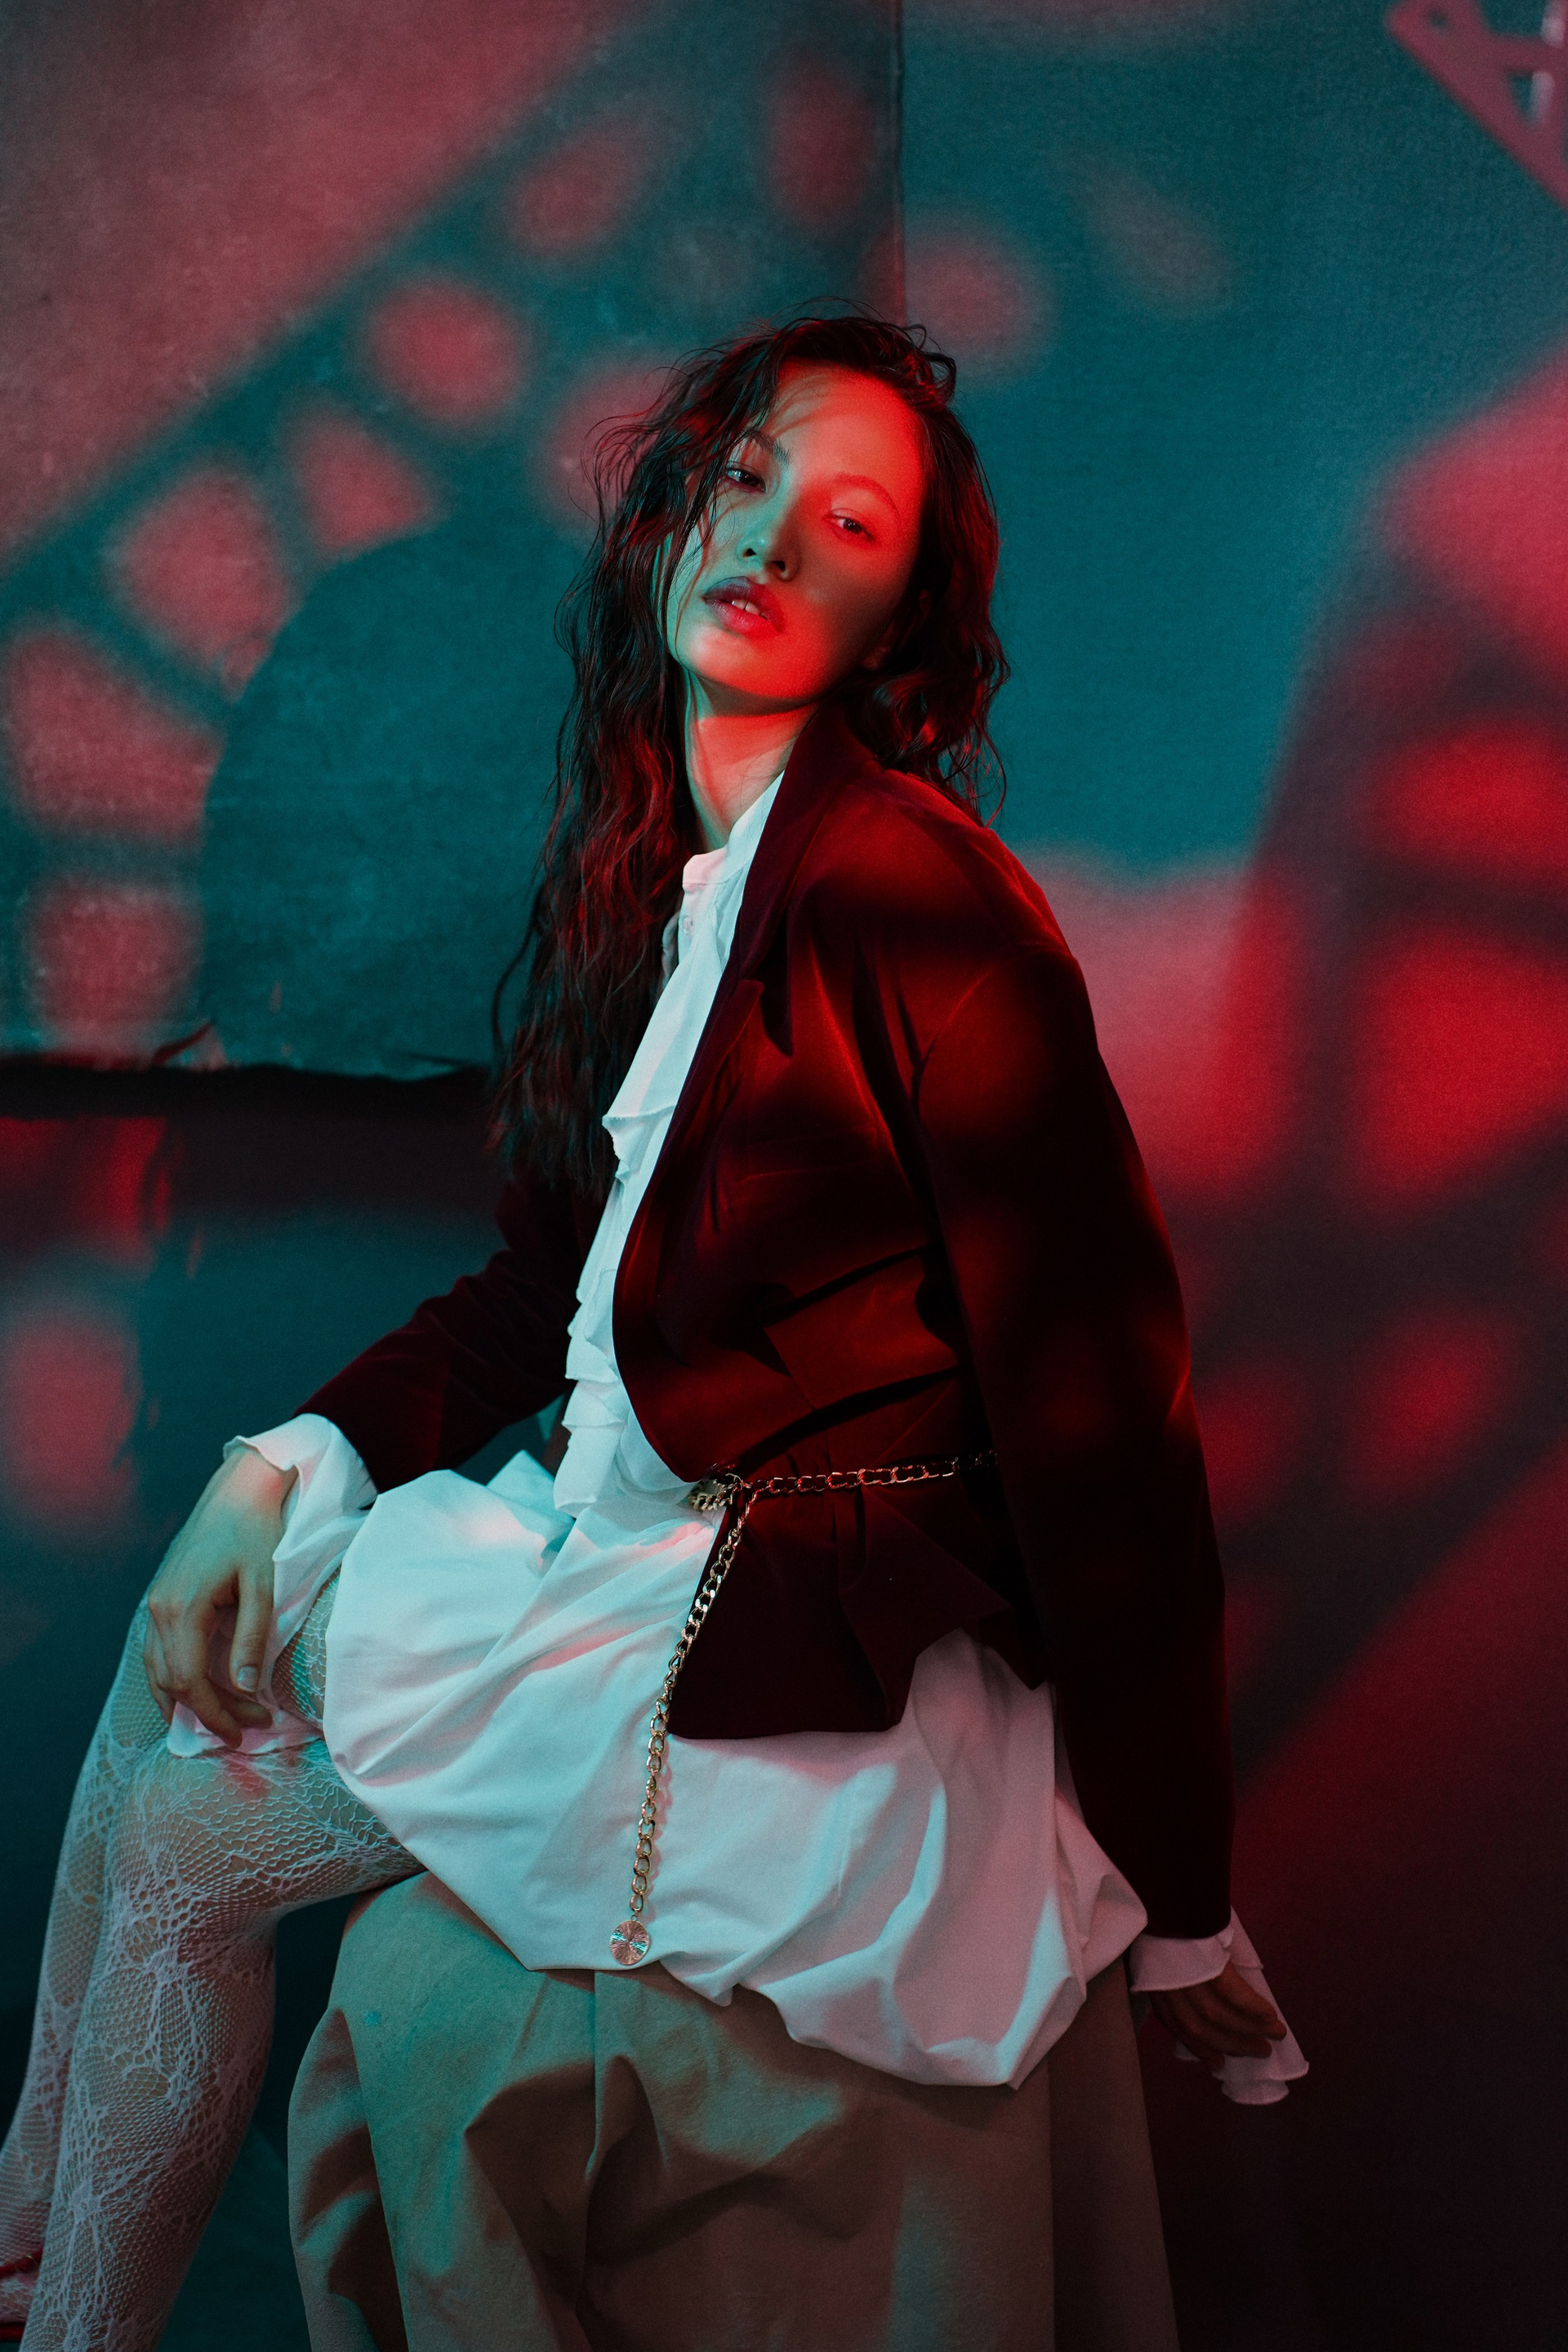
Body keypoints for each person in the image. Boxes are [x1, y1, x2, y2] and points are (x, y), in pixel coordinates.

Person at [0, 314, 1303, 2352]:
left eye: (846, 524)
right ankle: (25, 2253)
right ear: (676, 516)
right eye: (746, 481)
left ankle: (61, 2314)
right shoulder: (672, 883)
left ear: (899, 620)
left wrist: (1182, 1898)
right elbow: (550, 1289)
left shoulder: (926, 913)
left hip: (784, 1645)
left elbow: (1104, 1439)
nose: (770, 539)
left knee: (176, 1838)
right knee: (178, 1660)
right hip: (615, 1566)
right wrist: (277, 1466)